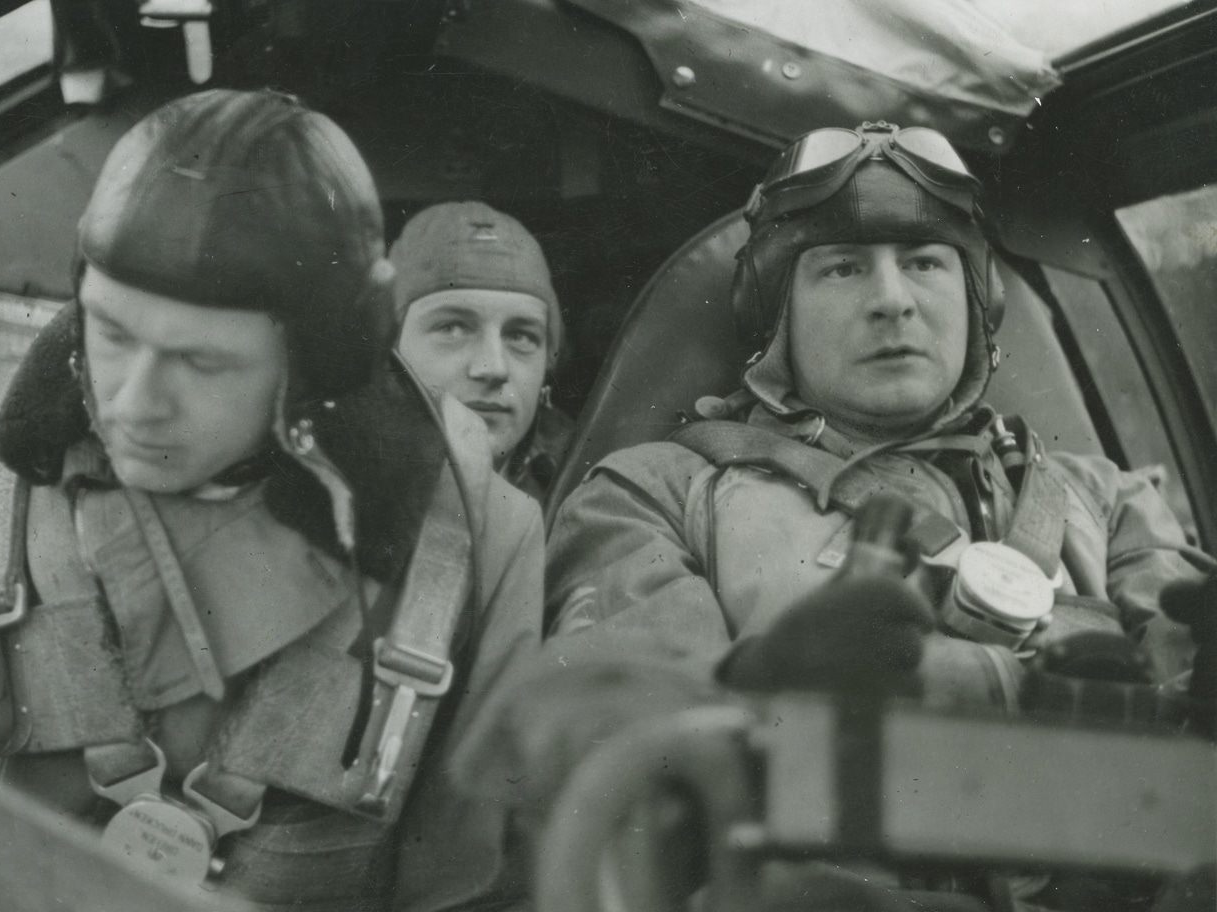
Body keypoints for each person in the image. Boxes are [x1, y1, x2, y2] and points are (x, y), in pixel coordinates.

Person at [454, 123, 1215, 910]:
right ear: (776, 317)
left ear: (976, 301)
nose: (892, 302)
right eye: (843, 269)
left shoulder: (1106, 501)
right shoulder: (653, 496)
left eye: (924, 263)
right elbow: (621, 777)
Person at [0, 89, 542, 912]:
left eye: (202, 364)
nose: (131, 401)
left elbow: (474, 887)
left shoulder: (478, 534)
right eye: (112, 333)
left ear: (319, 363)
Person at [390, 201, 573, 505]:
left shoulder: (589, 482)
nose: (494, 367)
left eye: (520, 335)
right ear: (389, 352)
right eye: (452, 328)